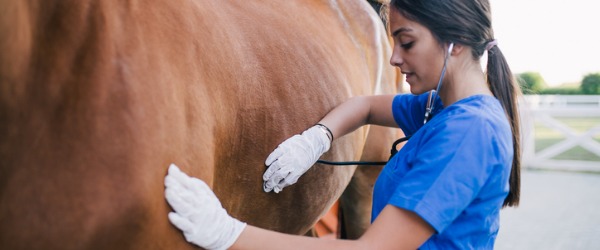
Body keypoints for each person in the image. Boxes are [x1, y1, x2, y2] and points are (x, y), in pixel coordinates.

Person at [164, 0, 522, 249]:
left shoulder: (469, 132)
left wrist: (228, 233)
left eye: (407, 42)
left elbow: (374, 247)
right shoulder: (442, 107)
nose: (395, 58)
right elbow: (365, 106)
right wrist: (317, 138)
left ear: (454, 43)